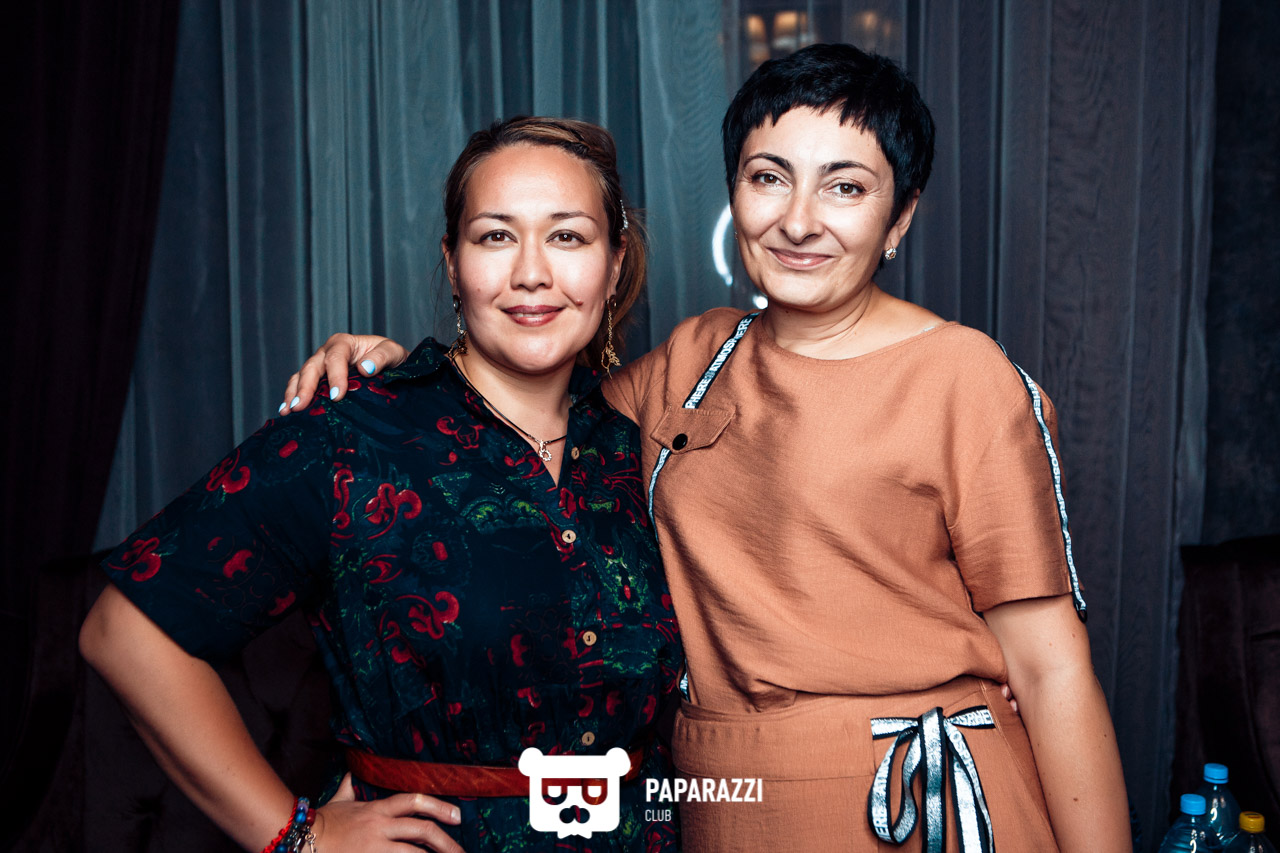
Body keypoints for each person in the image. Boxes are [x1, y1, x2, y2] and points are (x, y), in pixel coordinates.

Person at [290, 44, 1134, 853]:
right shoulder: (695, 358)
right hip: (725, 804)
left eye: (845, 187)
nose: (798, 220)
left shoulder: (966, 376)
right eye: (769, 178)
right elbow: (518, 410)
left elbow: (1051, 670)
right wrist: (401, 374)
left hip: (918, 804)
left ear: (900, 217)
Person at [80, 117, 682, 853]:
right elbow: (125, 633)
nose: (532, 272)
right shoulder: (350, 436)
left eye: (567, 236)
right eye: (496, 235)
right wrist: (298, 837)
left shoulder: (641, 445)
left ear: (614, 266)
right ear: (453, 264)